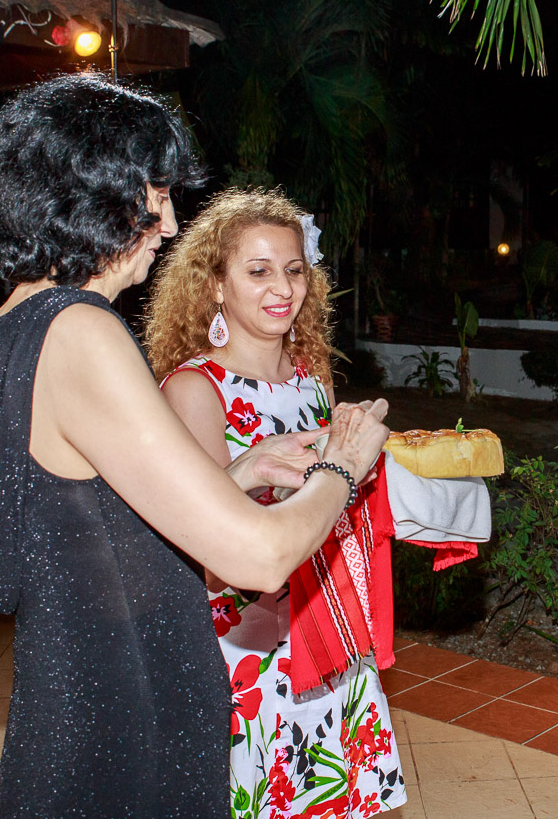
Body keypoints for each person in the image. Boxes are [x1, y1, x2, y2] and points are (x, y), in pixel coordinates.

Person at [0, 73, 391, 819]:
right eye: (155, 191)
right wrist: (342, 464)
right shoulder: (80, 330)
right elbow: (256, 556)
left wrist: (241, 467)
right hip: (127, 728)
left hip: (70, 713)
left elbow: (73, 520)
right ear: (97, 191)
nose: (169, 218)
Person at [146, 188, 405, 819]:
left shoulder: (310, 377)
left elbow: (333, 494)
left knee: (334, 797)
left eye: (293, 270)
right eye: (257, 271)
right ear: (214, 285)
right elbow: (198, 537)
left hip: (328, 618)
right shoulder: (193, 389)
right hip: (250, 642)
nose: (281, 288)